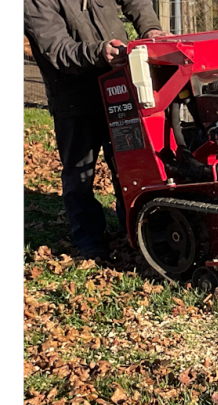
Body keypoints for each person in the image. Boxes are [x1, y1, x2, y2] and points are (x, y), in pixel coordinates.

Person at [24, 0, 169, 260]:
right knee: (79, 174)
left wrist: (150, 28)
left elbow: (136, 1)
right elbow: (56, 49)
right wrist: (100, 53)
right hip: (74, 97)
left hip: (119, 87)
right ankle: (88, 240)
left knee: (129, 165)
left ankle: (136, 233)